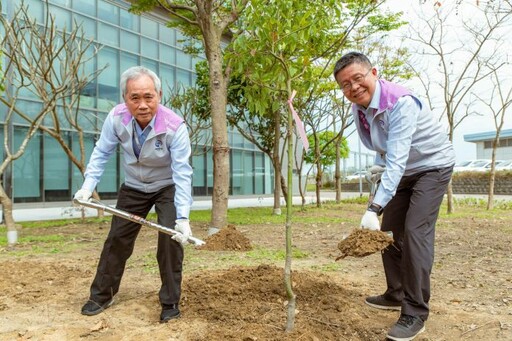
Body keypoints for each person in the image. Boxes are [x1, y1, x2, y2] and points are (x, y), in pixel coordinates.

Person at [333, 52, 455, 341]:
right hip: (400, 170)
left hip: (431, 167)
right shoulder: (359, 109)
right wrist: (380, 171)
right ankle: (396, 292)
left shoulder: (400, 102)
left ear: (373, 72)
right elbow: (384, 148)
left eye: (358, 78)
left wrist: (373, 205)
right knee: (388, 232)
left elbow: (398, 160)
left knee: (415, 233)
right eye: (345, 85)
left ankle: (414, 312)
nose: (353, 87)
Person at [74, 66, 194, 323]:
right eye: (134, 97)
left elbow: (183, 173)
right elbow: (101, 152)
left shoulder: (175, 127)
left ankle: (170, 303)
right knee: (117, 240)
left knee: (170, 242)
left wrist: (182, 218)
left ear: (159, 95)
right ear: (125, 98)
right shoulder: (116, 118)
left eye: (148, 97)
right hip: (134, 186)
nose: (142, 104)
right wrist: (87, 187)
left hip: (167, 187)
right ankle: (101, 295)